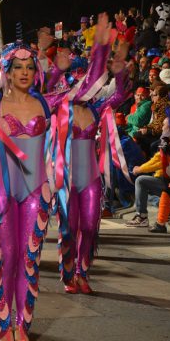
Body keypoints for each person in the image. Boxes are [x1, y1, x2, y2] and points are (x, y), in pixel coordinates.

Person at [0, 8, 112, 341]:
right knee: (7, 256)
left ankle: (21, 326)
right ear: (7, 73)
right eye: (19, 68)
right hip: (2, 190)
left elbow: (90, 84)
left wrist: (100, 47)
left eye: (30, 68)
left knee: (27, 260)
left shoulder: (48, 102)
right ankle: (3, 326)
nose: (25, 73)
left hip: (35, 193)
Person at [56, 43, 131, 295]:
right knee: (69, 229)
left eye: (85, 81)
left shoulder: (96, 110)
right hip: (67, 181)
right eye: (76, 81)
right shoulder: (60, 111)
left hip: (90, 180)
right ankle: (68, 274)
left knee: (89, 228)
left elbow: (119, 96)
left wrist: (119, 73)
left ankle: (82, 273)